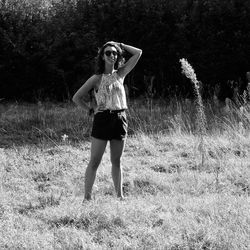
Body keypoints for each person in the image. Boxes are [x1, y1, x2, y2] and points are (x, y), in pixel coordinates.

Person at [72, 41, 142, 200]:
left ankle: (120, 197)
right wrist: (90, 110)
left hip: (119, 118)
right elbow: (76, 97)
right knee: (95, 161)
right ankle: (87, 198)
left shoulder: (120, 74)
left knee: (117, 161)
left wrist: (121, 45)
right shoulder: (96, 78)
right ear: (102, 57)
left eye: (114, 53)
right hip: (102, 120)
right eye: (108, 53)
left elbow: (138, 53)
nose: (112, 55)